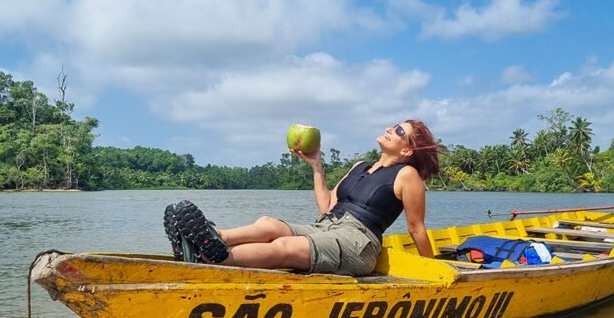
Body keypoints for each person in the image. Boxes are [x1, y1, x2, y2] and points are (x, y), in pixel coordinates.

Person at [164, 119, 443, 277]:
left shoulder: (407, 175)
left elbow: (416, 228)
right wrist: (316, 165)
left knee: (286, 244)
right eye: (394, 125)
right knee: (269, 223)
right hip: (328, 226)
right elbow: (326, 208)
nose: (391, 129)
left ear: (408, 150)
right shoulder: (360, 166)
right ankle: (211, 239)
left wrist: (434, 271)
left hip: (358, 242)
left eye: (399, 131)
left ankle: (217, 260)